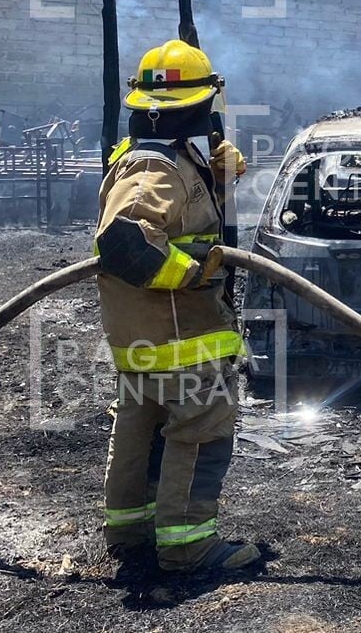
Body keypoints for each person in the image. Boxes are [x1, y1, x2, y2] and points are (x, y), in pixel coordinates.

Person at [93, 38, 256, 572]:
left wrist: (217, 177)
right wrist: (192, 273)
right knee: (200, 432)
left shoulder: (161, 155)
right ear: (200, 104)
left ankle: (131, 529)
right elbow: (125, 244)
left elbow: (182, 221)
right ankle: (188, 545)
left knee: (139, 430)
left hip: (150, 338)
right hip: (181, 337)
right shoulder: (153, 167)